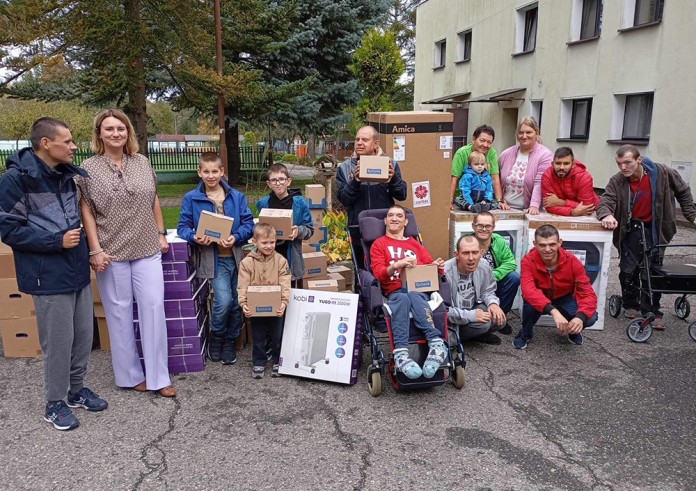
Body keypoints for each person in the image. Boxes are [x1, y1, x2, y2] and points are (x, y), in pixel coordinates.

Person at [0, 117, 107, 431]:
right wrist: (54, 242)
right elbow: (8, 229)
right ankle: (54, 403)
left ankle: (75, 391)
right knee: (58, 342)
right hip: (46, 275)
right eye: (68, 141)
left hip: (75, 269)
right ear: (46, 143)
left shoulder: (65, 175)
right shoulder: (15, 181)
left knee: (83, 336)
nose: (74, 147)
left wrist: (90, 253)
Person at [77, 108, 175, 398]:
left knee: (154, 308)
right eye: (109, 129)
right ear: (99, 134)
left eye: (120, 128)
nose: (115, 133)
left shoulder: (142, 162)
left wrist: (161, 232)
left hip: (146, 247)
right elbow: (87, 211)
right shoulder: (88, 169)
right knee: (119, 314)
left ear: (128, 132)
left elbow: (153, 198)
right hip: (111, 251)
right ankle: (130, 375)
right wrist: (95, 250)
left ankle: (159, 377)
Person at [597, 145, 696, 329]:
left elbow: (683, 191)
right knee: (628, 269)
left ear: (639, 160)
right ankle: (630, 303)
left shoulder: (663, 173)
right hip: (631, 228)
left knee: (652, 271)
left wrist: (692, 216)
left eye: (628, 162)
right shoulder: (617, 180)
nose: (623, 167)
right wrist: (606, 215)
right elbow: (606, 200)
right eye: (619, 163)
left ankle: (652, 310)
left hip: (656, 229)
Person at [177, 152, 254, 364]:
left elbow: (249, 224)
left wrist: (236, 237)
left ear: (222, 172)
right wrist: (194, 237)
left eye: (215, 171)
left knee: (238, 302)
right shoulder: (192, 198)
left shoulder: (236, 197)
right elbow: (183, 227)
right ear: (199, 172)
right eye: (206, 171)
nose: (211, 176)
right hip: (214, 260)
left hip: (237, 259)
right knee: (224, 300)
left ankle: (231, 341)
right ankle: (216, 337)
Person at [370, 205, 447, 379]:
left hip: (418, 289)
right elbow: (378, 274)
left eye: (399, 216)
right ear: (385, 220)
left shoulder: (414, 244)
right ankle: (401, 354)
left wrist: (438, 267)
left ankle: (436, 345)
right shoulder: (379, 244)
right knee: (403, 298)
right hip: (394, 290)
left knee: (413, 295)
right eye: (390, 215)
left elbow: (430, 268)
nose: (394, 218)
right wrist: (396, 265)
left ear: (406, 222)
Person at [516, 224, 598, 349]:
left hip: (564, 297)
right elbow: (528, 291)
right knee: (529, 305)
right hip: (539, 296)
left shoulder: (572, 261)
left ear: (560, 243)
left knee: (590, 318)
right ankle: (525, 334)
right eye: (542, 245)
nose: (547, 249)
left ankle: (573, 330)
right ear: (535, 243)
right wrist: (553, 311)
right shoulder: (527, 261)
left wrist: (580, 318)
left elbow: (588, 293)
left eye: (552, 244)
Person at [336, 126, 407, 269]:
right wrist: (355, 181)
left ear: (376, 144)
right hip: (358, 230)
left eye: (365, 140)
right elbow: (344, 199)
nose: (359, 143)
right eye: (357, 139)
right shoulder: (345, 168)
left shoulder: (390, 164)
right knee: (362, 274)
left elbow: (402, 195)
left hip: (385, 229)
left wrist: (393, 179)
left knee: (386, 270)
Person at [238, 223, 292, 379]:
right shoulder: (247, 263)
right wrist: (244, 304)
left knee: (277, 336)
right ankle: (259, 362)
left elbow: (285, 283)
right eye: (264, 242)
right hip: (257, 308)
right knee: (258, 336)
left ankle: (277, 360)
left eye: (272, 242)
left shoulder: (281, 261)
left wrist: (284, 302)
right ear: (254, 242)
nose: (269, 246)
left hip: (276, 308)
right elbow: (242, 285)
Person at [256, 163, 314, 284]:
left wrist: (298, 231)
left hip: (291, 257)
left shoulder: (299, 204)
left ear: (288, 181)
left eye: (281, 179)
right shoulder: (263, 204)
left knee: (291, 292)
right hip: (269, 257)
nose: (278, 183)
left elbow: (309, 229)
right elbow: (258, 227)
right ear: (269, 184)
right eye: (274, 180)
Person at [444, 235, 506, 345]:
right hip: (454, 318)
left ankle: (477, 335)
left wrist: (493, 304)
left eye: (475, 252)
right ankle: (458, 338)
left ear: (481, 253)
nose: (471, 258)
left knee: (499, 319)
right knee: (484, 324)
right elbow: (442, 311)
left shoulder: (484, 265)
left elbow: (488, 290)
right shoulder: (445, 272)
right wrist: (471, 316)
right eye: (465, 253)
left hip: (473, 307)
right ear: (457, 255)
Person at [471, 212, 520, 334]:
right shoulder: (467, 243)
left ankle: (501, 317)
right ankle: (483, 320)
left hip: (495, 280)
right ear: (473, 226)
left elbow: (511, 263)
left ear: (493, 228)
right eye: (480, 225)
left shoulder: (499, 241)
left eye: (488, 226)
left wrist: (492, 275)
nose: (484, 229)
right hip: (475, 285)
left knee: (514, 277)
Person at [498, 117, 553, 214]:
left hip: (529, 211)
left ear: (537, 132)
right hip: (505, 209)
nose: (524, 136)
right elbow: (497, 180)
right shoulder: (505, 154)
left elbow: (539, 183)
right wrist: (499, 200)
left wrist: (534, 206)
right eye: (521, 132)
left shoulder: (545, 155)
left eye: (528, 132)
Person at [450, 124, 502, 210]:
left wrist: (499, 201)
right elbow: (454, 179)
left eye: (489, 142)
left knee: (494, 204)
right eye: (482, 140)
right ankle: (471, 206)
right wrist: (450, 200)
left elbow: (495, 179)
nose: (485, 145)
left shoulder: (492, 152)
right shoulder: (462, 153)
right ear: (474, 139)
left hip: (483, 196)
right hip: (464, 195)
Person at [541, 147, 600, 216]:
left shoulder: (584, 177)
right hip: (561, 216)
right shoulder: (547, 176)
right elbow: (549, 207)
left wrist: (561, 202)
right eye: (558, 163)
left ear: (573, 165)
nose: (561, 167)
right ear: (552, 164)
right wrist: (572, 212)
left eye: (566, 163)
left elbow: (587, 208)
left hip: (591, 215)